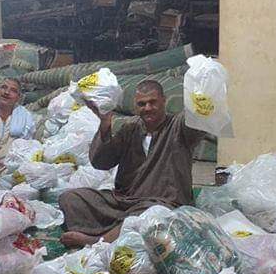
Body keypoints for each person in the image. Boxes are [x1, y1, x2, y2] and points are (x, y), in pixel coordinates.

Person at [58, 80, 206, 247]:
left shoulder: (178, 127)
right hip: (125, 202)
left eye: (153, 102)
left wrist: (203, 91)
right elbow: (101, 163)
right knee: (71, 198)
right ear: (135, 106)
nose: (147, 108)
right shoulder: (130, 128)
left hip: (163, 203)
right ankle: (117, 231)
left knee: (150, 216)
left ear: (164, 101)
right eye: (142, 104)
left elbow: (196, 119)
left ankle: (96, 241)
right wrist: (104, 125)